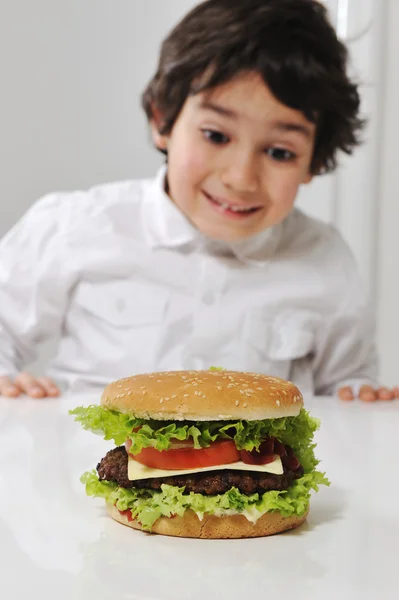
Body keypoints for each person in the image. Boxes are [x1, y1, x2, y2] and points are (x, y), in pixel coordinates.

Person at [0, 0, 396, 402]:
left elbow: (347, 386)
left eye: (279, 152)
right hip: (92, 461)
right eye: (216, 135)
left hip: (244, 465)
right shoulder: (76, 225)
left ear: (314, 161)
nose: (241, 178)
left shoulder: (324, 260)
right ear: (163, 120)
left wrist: (362, 399)